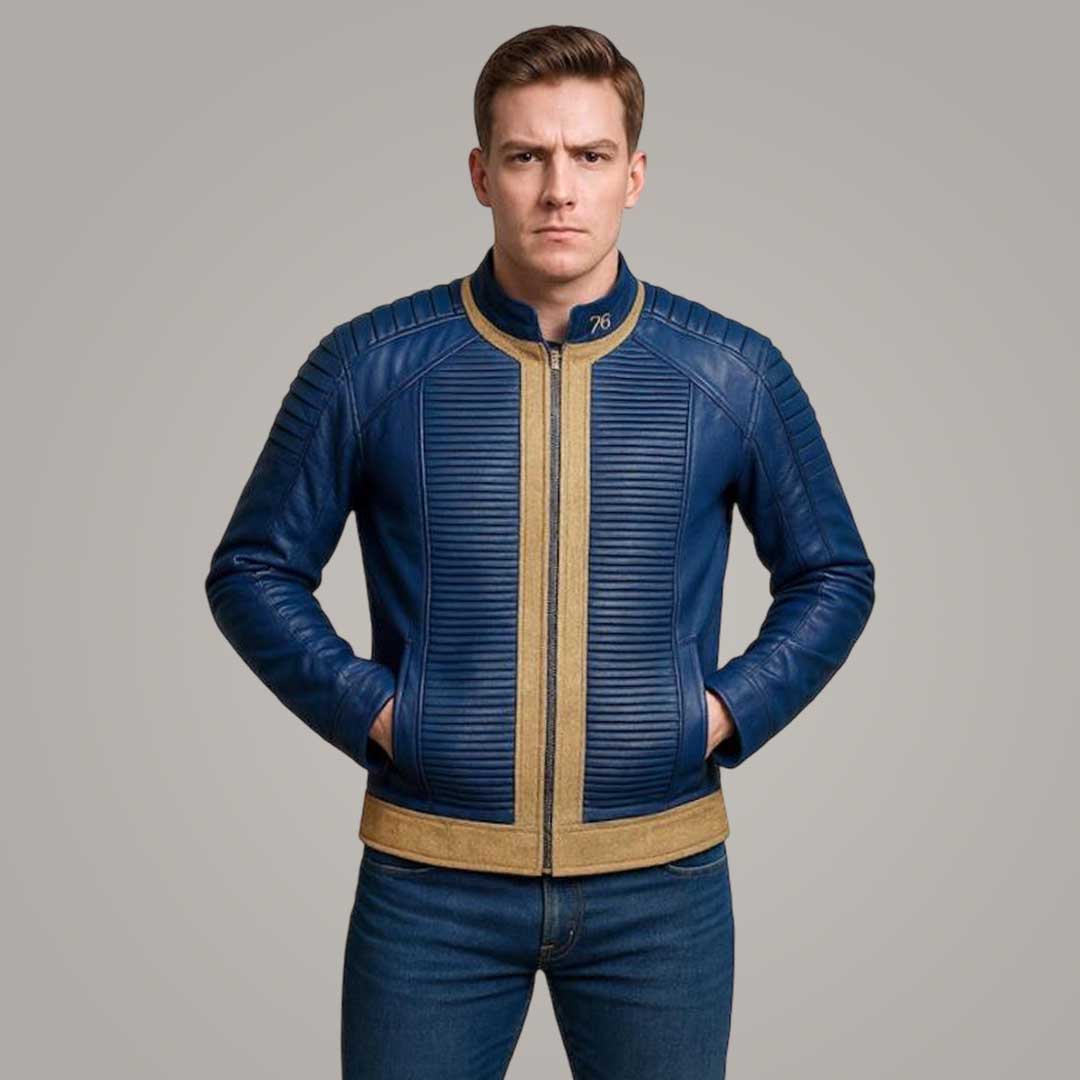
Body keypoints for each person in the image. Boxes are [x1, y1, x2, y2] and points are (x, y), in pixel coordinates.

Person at [204, 23, 875, 1080]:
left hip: (661, 888)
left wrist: (717, 713)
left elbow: (833, 574)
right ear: (482, 174)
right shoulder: (369, 367)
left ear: (634, 176)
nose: (559, 189)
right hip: (431, 884)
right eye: (527, 156)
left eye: (590, 156)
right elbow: (252, 571)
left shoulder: (731, 372)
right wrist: (380, 713)